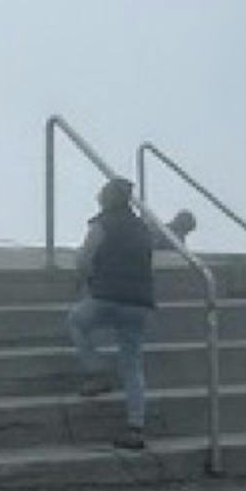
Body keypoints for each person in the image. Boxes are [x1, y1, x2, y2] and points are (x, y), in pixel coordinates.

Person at [67, 178, 161, 450]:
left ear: (108, 198)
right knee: (132, 364)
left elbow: (82, 260)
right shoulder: (143, 227)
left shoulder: (101, 224)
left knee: (76, 321)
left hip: (107, 297)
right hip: (139, 303)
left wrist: (86, 278)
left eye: (102, 192)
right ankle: (136, 426)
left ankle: (96, 372)